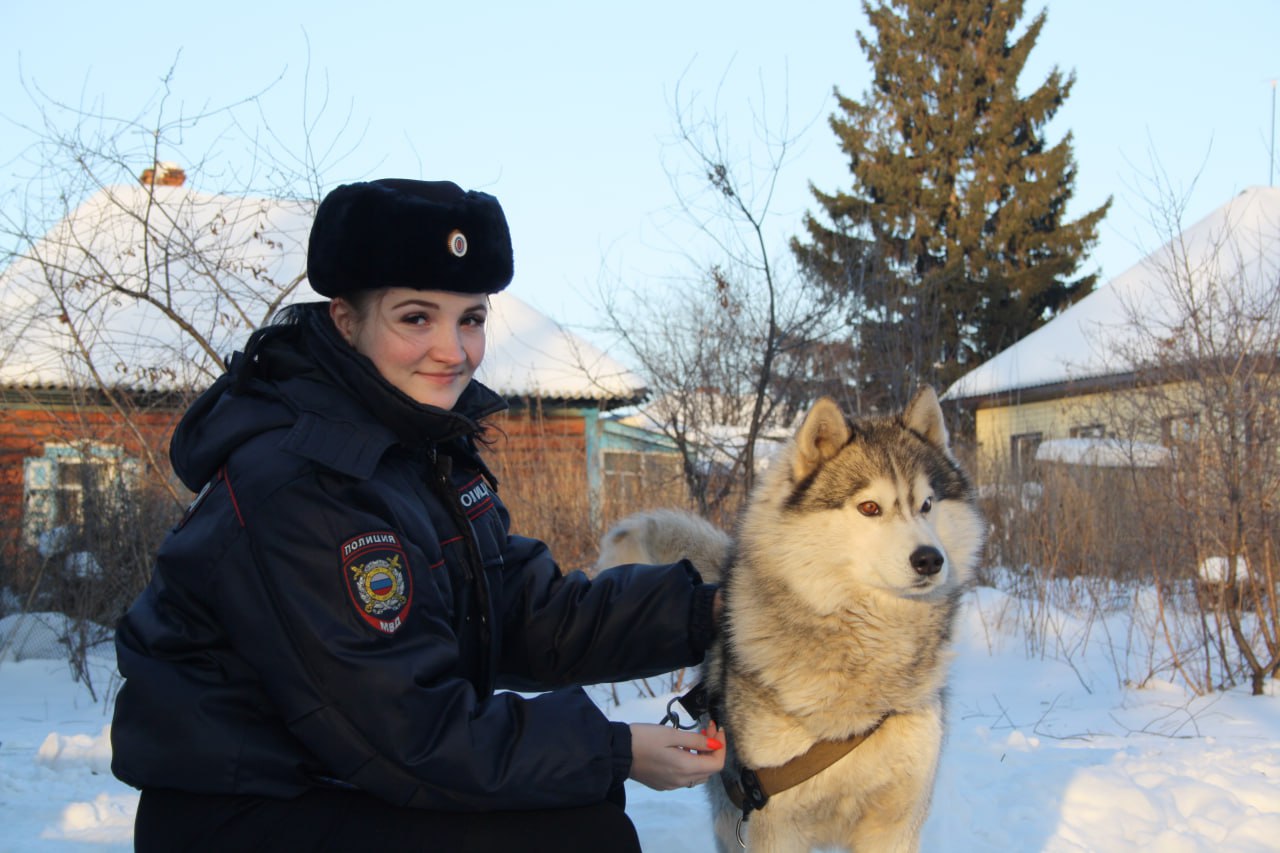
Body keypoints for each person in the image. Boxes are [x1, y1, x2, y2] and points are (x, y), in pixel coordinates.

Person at [111, 179, 725, 852]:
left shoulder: (417, 450)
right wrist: (614, 749)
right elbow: (412, 731)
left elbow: (526, 612)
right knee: (578, 835)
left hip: (335, 780)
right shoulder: (306, 482)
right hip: (243, 814)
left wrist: (711, 611)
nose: (453, 351)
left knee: (576, 815)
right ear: (347, 321)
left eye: (471, 318)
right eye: (415, 318)